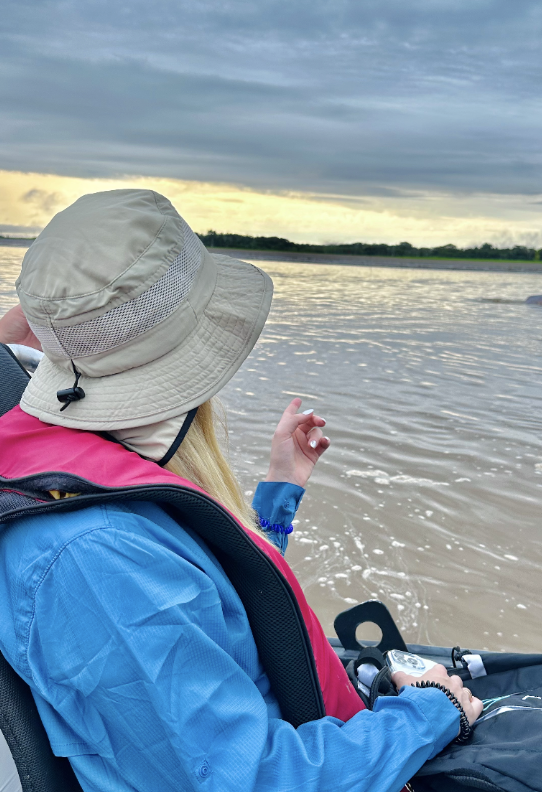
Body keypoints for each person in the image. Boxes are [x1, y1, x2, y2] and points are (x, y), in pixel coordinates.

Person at [0, 189, 482, 792]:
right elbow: (248, 779)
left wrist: (279, 495)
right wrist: (433, 711)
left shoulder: (86, 494)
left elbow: (211, 607)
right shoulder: (95, 556)